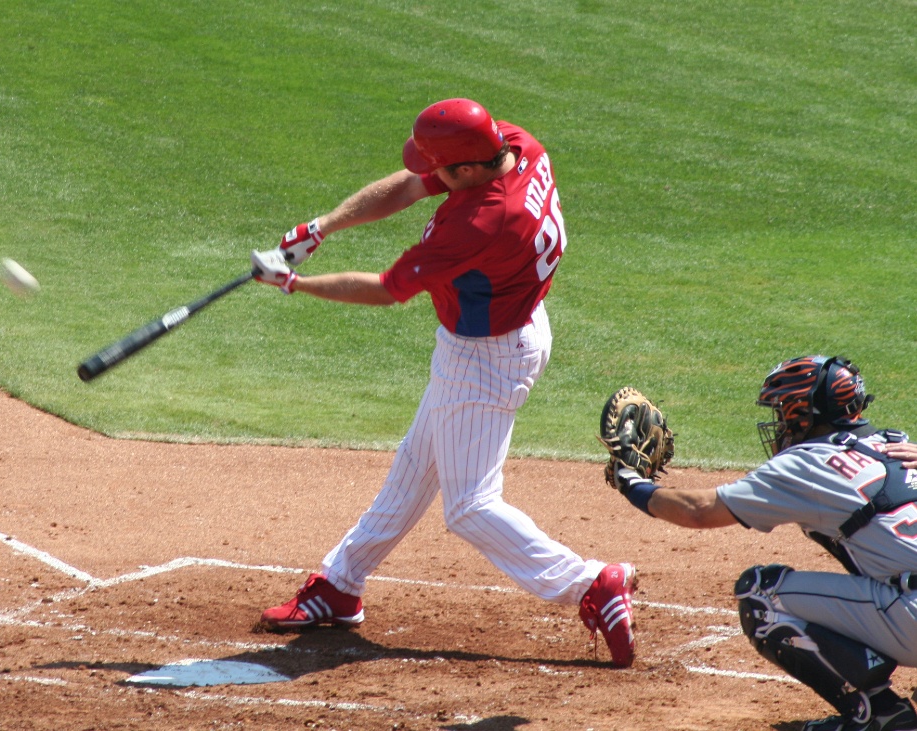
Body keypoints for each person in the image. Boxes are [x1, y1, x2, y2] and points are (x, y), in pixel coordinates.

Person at [249, 98, 639, 667]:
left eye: (440, 167)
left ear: (465, 169)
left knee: (470, 506)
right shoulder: (515, 144)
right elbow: (409, 186)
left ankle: (589, 585)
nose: (428, 173)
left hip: (487, 357)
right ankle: (340, 583)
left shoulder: (482, 222)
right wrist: (320, 227)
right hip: (509, 327)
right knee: (416, 465)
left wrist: (293, 284)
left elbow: (387, 288)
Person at [609, 355, 917, 731]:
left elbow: (698, 511)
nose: (779, 423)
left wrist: (631, 481)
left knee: (761, 595)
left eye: (784, 410)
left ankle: (881, 715)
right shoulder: (897, 445)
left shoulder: (809, 462)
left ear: (804, 412)